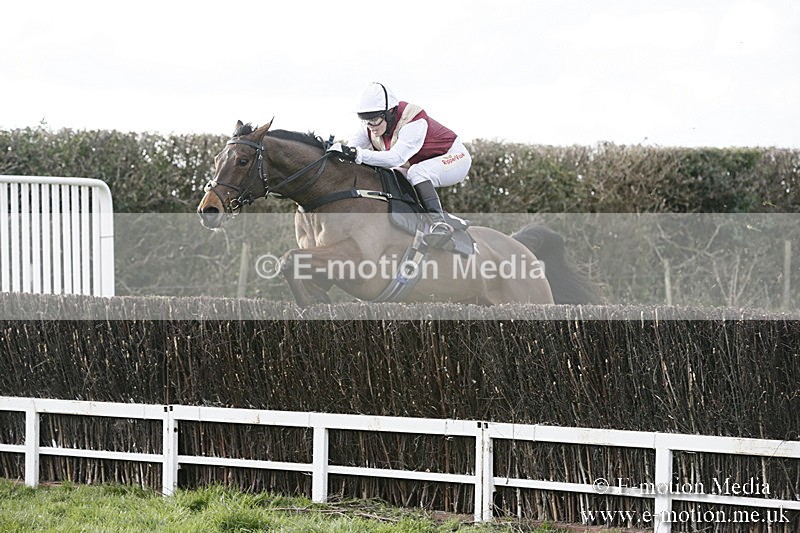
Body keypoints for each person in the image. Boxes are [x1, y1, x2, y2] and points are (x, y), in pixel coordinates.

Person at [327, 82, 472, 247]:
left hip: (454, 157)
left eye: (374, 119)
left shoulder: (413, 121)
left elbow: (394, 158)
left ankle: (440, 224)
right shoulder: (370, 126)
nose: (370, 126)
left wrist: (356, 154)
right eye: (366, 120)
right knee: (392, 175)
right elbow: (351, 152)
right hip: (419, 164)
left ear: (390, 113)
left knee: (417, 172)